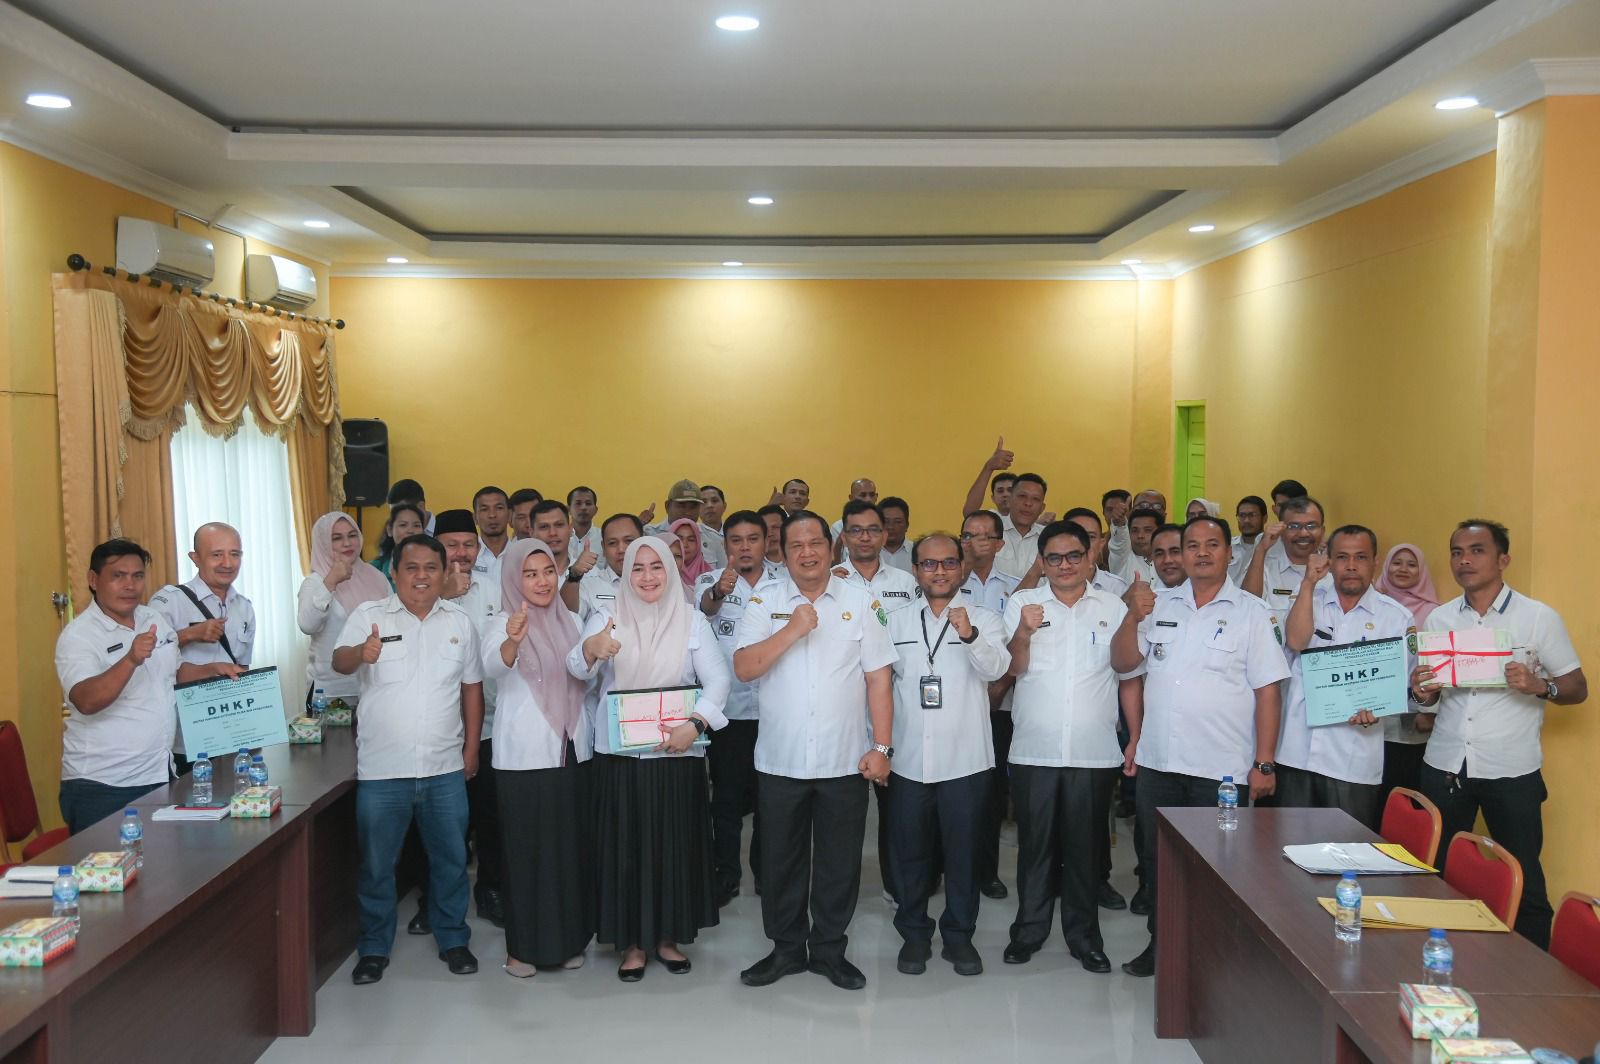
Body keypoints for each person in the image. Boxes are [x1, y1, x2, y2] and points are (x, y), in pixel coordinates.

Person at [1112, 515, 1289, 977]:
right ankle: (1162, 946)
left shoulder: (1253, 612)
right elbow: (1124, 664)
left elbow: (1268, 692)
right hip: (1160, 762)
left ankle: (1212, 957)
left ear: (1229, 553)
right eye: (1192, 545)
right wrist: (1132, 616)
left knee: (1218, 864)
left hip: (1222, 769)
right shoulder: (1158, 605)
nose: (1202, 553)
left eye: (1213, 544)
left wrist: (1264, 763)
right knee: (1158, 860)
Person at [733, 511, 895, 992]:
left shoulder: (861, 601)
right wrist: (792, 629)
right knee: (780, 862)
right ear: (782, 552)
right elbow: (744, 667)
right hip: (780, 760)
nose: (807, 553)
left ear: (832, 546)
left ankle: (828, 949)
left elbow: (879, 679)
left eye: (816, 543)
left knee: (839, 862)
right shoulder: (765, 600)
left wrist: (881, 746)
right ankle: (786, 949)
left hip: (844, 760)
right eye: (796, 545)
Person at [1411, 520, 1587, 949]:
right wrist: (1421, 691)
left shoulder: (1538, 617)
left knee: (1523, 879)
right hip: (1445, 764)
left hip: (1511, 769)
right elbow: (1429, 699)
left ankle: (1533, 974)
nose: (1464, 560)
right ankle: (1440, 958)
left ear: (1503, 559)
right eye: (1456, 552)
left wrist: (1540, 686)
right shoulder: (1439, 617)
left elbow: (1577, 687)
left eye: (1477, 550)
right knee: (1436, 874)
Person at [568, 537, 730, 981]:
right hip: (621, 759)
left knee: (673, 845)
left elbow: (719, 681)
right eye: (637, 568)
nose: (647, 577)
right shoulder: (607, 616)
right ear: (625, 573)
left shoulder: (692, 619)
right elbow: (576, 669)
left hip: (677, 753)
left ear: (670, 571)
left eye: (656, 566)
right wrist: (590, 648)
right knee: (626, 848)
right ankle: (633, 943)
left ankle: (667, 937)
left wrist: (695, 724)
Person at [334, 534, 485, 984]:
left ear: (444, 573)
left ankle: (453, 938)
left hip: (443, 768)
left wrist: (471, 748)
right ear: (395, 573)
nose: (422, 576)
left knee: (451, 861)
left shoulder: (460, 622)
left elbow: (472, 689)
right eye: (412, 567)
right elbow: (340, 661)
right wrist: (360, 652)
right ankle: (373, 948)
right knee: (377, 866)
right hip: (383, 770)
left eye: (431, 568)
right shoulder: (369, 616)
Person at [1002, 522, 1136, 974]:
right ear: (1041, 562)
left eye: (1073, 555)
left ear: (1089, 556)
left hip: (1093, 752)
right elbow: (1011, 668)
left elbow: (1127, 675)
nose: (1064, 565)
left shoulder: (1113, 607)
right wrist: (1024, 632)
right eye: (1054, 558)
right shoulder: (1023, 603)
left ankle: (1085, 939)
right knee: (1034, 848)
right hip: (1034, 750)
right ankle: (1028, 931)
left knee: (1085, 851)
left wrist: (1135, 737)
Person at [56, 539, 243, 833]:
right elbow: (86, 700)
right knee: (114, 863)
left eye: (137, 576)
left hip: (159, 774)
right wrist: (130, 659)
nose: (130, 585)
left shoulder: (151, 618)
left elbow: (174, 671)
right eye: (118, 576)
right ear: (93, 580)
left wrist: (213, 669)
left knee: (163, 861)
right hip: (102, 785)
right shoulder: (79, 636)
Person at [887, 533, 1010, 977]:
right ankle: (914, 935)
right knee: (910, 854)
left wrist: (969, 635)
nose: (939, 572)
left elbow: (997, 669)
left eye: (948, 563)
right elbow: (879, 686)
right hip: (908, 758)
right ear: (915, 570)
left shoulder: (985, 618)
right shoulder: (895, 621)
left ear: (961, 567)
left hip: (966, 759)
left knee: (964, 854)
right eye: (928, 564)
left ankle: (959, 936)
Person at [483, 539, 594, 977]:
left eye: (548, 571)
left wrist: (595, 652)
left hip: (571, 751)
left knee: (568, 851)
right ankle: (521, 950)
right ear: (515, 579)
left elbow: (584, 675)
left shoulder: (573, 620)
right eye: (530, 575)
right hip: (524, 759)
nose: (542, 582)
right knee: (526, 855)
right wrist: (513, 642)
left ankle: (566, 942)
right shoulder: (501, 621)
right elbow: (492, 666)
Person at [1274, 526, 1417, 828]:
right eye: (1342, 557)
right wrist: (1308, 582)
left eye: (1361, 557)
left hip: (1352, 761)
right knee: (1286, 846)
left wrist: (1378, 707)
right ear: (1329, 560)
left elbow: (1401, 685)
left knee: (1346, 849)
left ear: (1375, 562)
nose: (1351, 566)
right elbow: (1296, 641)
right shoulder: (1309, 597)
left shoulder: (1395, 617)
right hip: (1296, 752)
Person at [831, 499, 919, 907]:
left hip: (892, 708)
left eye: (872, 530)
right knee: (841, 815)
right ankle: (838, 894)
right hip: (844, 712)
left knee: (896, 811)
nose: (864, 537)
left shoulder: (906, 581)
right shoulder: (828, 581)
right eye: (855, 530)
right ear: (844, 536)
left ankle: (897, 885)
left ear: (885, 535)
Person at [694, 511, 770, 907]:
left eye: (752, 539)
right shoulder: (709, 581)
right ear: (725, 545)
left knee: (770, 800)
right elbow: (706, 608)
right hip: (728, 714)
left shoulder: (784, 582)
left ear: (766, 542)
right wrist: (720, 591)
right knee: (725, 799)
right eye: (736, 540)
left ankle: (766, 873)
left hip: (774, 712)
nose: (744, 547)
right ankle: (726, 874)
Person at [434, 509, 503, 927]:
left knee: (489, 814)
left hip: (490, 721)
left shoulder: (493, 587)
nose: (461, 553)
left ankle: (490, 889)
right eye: (451, 545)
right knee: (444, 822)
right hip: (439, 725)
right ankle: (437, 899)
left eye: (468, 544)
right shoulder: (422, 588)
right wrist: (443, 592)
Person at [149, 522, 256, 773]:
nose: (227, 563)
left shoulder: (244, 607)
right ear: (195, 558)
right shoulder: (170, 601)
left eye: (235, 554)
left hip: (231, 731)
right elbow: (147, 656)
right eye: (217, 555)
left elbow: (242, 668)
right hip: (184, 738)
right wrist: (189, 634)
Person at [961, 510, 1022, 900]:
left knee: (990, 792)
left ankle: (986, 871)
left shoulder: (1016, 590)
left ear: (1000, 544)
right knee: (948, 789)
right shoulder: (943, 584)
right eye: (968, 535)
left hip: (1000, 707)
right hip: (955, 706)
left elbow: (1018, 646)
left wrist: (999, 689)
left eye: (985, 536)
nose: (976, 542)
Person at [299, 512, 392, 712]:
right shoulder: (314, 583)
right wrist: (330, 582)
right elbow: (307, 625)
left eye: (352, 535)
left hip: (375, 688)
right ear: (323, 543)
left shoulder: (376, 577)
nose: (347, 543)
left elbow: (392, 624)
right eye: (337, 538)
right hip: (329, 694)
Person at [1375, 542, 1442, 793]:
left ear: (1421, 571)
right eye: (1397, 563)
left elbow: (1438, 665)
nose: (1403, 569)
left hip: (1412, 718)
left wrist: (1430, 711)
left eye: (1412, 565)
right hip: (1369, 717)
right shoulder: (1372, 604)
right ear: (1386, 566)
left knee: (1403, 789)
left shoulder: (1435, 613)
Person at [1241, 495, 1327, 642]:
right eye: (1294, 526)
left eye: (1311, 526)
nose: (1303, 533)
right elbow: (1246, 607)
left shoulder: (1334, 571)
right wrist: (1261, 549)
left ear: (1322, 530)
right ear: (1281, 531)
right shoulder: (1263, 567)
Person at [578, 513, 642, 624]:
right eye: (612, 543)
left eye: (628, 541)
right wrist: (573, 576)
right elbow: (569, 616)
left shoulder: (657, 583)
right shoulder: (588, 586)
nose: (621, 549)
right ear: (603, 548)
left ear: (643, 541)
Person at [995, 473, 1049, 580]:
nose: (1028, 503)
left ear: (1042, 508)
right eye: (1022, 496)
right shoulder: (991, 532)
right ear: (1009, 500)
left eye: (1036, 499)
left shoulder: (1049, 538)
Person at [961, 437, 1015, 518]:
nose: (1005, 494)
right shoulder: (989, 519)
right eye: (1000, 491)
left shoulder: (1032, 519)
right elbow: (969, 514)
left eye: (1010, 490)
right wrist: (988, 467)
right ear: (993, 498)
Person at [374, 504, 426, 584]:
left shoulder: (434, 566)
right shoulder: (374, 568)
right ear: (390, 530)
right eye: (403, 525)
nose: (410, 531)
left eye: (416, 525)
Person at [473, 486, 512, 589]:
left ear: (509, 514)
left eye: (499, 508)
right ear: (475, 518)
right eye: (484, 509)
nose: (492, 515)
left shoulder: (522, 555)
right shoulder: (466, 557)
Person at [1110, 507, 1161, 585]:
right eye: (1135, 530)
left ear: (1160, 533)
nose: (1140, 536)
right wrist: (1119, 524)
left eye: (1148, 530)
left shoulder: (1168, 562)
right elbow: (1119, 540)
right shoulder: (1121, 558)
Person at [670, 518, 715, 599]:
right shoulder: (662, 574)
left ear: (698, 543)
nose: (685, 545)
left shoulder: (711, 576)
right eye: (679, 539)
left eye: (691, 540)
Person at [1228, 496, 1269, 583]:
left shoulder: (1274, 548)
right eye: (1242, 515)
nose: (1246, 520)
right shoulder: (1228, 547)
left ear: (1265, 518)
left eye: (1252, 515)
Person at [880, 497, 914, 573]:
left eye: (898, 522)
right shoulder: (869, 553)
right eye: (886, 521)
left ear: (907, 525)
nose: (891, 527)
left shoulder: (917, 553)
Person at [566, 486, 601, 560]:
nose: (583, 508)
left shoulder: (603, 538)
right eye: (578, 503)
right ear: (568, 509)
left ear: (595, 510)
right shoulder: (559, 538)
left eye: (588, 503)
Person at [1149, 523, 1187, 589]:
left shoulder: (1205, 592)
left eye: (1175, 552)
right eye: (1159, 554)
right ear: (1152, 557)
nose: (1167, 560)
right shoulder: (1149, 594)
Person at [698, 484, 728, 564]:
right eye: (703, 502)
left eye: (714, 501)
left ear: (724, 506)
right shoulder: (693, 536)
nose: (709, 505)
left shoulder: (734, 532)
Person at [757, 504, 788, 575]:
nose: (770, 533)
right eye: (765, 528)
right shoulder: (751, 565)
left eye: (775, 527)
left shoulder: (799, 561)